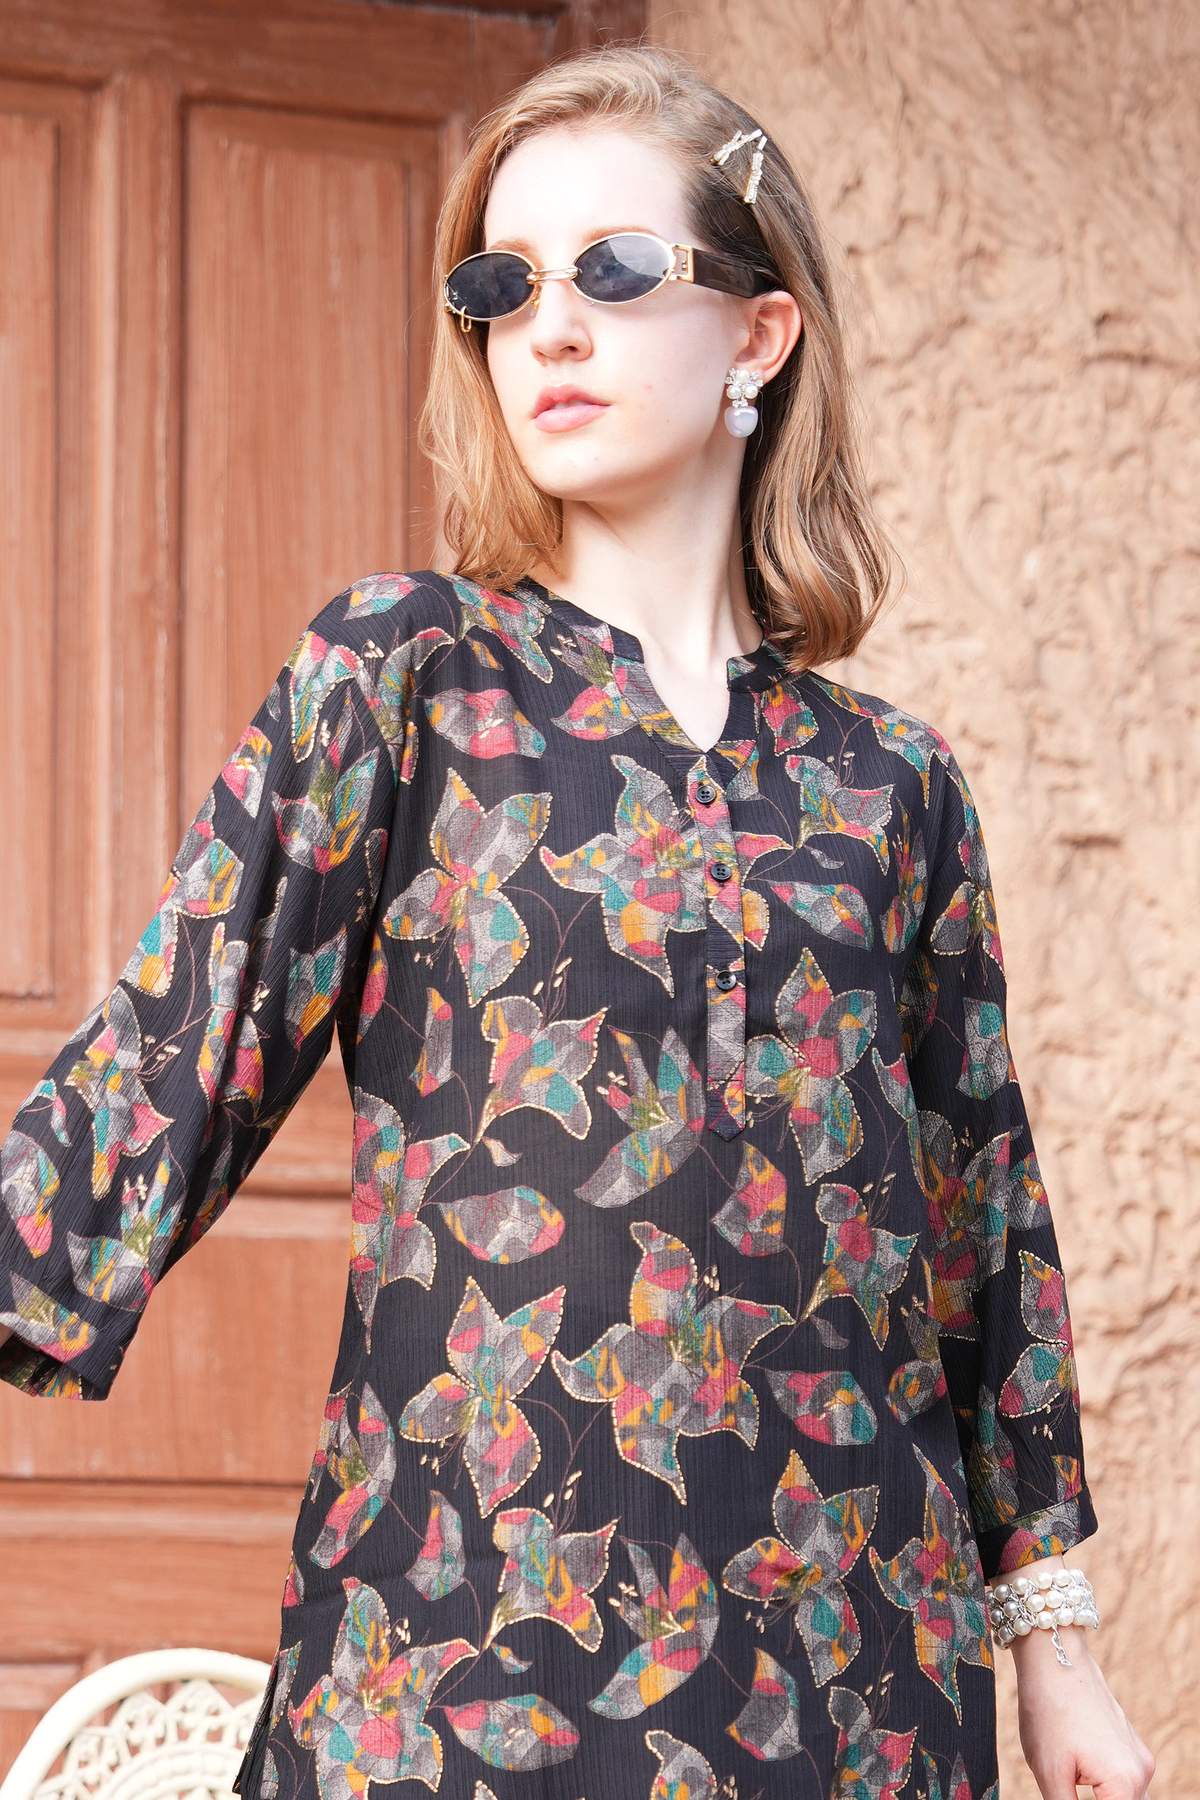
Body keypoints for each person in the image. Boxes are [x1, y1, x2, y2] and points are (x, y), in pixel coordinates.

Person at [0, 40, 1154, 1800]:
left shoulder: (893, 784)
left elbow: (981, 1226)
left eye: (613, 271)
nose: (547, 329)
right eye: (503, 286)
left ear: (759, 332)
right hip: (459, 1654)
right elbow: (172, 1050)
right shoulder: (406, 676)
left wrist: (1056, 1655)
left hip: (856, 1678)